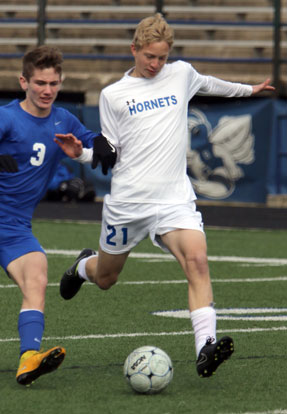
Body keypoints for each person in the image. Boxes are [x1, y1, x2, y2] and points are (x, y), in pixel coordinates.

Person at [58, 14, 275, 378]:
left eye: (162, 57)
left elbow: (210, 84)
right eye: (149, 57)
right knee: (107, 277)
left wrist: (248, 90)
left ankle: (205, 347)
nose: (156, 64)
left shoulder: (181, 74)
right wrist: (80, 153)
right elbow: (109, 149)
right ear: (134, 50)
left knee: (198, 261)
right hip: (129, 202)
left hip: (174, 199)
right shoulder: (113, 95)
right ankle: (83, 266)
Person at [0, 45, 116, 386]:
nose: (46, 90)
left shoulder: (63, 119)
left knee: (37, 277)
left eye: (53, 83)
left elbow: (91, 140)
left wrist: (101, 144)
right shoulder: (7, 118)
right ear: (23, 82)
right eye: (39, 83)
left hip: (14, 226)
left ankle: (28, 359)